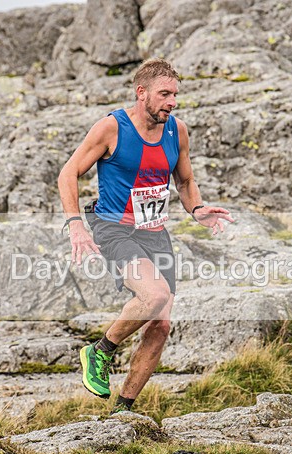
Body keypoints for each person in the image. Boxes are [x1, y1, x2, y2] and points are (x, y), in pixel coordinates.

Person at [57, 58, 234, 414]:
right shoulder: (112, 128)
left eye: (175, 95)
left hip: (155, 233)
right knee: (153, 295)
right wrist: (75, 224)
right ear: (142, 93)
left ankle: (124, 410)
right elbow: (68, 173)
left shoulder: (177, 130)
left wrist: (197, 210)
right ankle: (100, 350)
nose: (172, 102)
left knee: (161, 325)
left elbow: (184, 181)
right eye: (164, 94)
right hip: (114, 228)